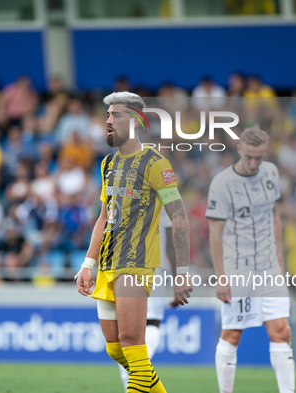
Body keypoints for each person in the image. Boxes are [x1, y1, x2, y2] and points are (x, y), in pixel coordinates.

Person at [75, 91, 192, 393]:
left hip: (136, 263)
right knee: (116, 350)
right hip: (106, 264)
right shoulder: (108, 164)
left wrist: (182, 271)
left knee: (132, 344)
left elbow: (179, 217)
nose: (108, 120)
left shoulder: (155, 164)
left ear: (137, 120)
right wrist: (88, 263)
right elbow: (104, 216)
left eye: (116, 115)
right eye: (108, 115)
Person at [206, 125, 294, 393]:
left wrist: (279, 259)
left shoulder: (271, 172)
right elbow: (214, 234)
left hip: (269, 268)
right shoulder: (221, 183)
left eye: (260, 157)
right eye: (250, 157)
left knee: (282, 331)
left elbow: (275, 215)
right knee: (232, 335)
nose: (255, 163)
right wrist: (221, 277)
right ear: (239, 149)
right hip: (238, 270)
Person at [118, 208, 177, 391]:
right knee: (138, 335)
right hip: (141, 271)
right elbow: (171, 242)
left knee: (129, 343)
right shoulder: (161, 190)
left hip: (134, 272)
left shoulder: (119, 185)